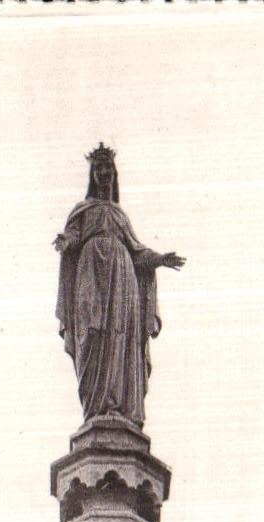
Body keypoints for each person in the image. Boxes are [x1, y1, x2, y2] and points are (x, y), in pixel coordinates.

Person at [54, 145, 184, 428]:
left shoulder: (120, 215)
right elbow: (73, 236)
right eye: (99, 169)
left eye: (108, 169)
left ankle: (117, 406)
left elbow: (138, 253)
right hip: (91, 278)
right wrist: (66, 241)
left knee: (118, 338)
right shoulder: (83, 210)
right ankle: (95, 408)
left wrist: (160, 259)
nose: (103, 174)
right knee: (90, 335)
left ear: (114, 175)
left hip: (122, 283)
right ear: (93, 174)